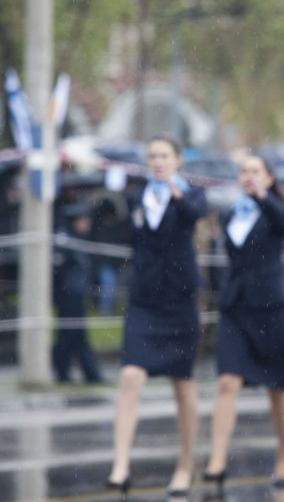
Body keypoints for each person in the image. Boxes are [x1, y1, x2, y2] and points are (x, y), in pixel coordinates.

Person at [106, 133, 207, 497]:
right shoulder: (137, 198)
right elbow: (130, 240)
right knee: (131, 375)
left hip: (180, 300)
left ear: (178, 160)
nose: (158, 162)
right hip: (144, 299)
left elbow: (196, 214)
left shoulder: (192, 194)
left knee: (182, 383)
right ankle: (120, 465)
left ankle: (185, 464)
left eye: (164, 155)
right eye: (152, 156)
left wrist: (175, 192)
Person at [204, 154, 284, 488]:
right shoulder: (230, 213)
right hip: (235, 307)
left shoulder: (276, 211)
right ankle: (216, 460)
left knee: (277, 387)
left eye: (255, 171)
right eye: (243, 171)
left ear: (269, 178)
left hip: (268, 307)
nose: (248, 176)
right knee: (227, 381)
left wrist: (263, 196)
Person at [51, 201, 103, 384]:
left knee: (72, 335)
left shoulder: (75, 238)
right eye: (84, 220)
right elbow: (58, 269)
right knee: (72, 335)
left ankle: (71, 374)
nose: (87, 224)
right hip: (68, 294)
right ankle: (86, 374)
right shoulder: (64, 239)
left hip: (75, 292)